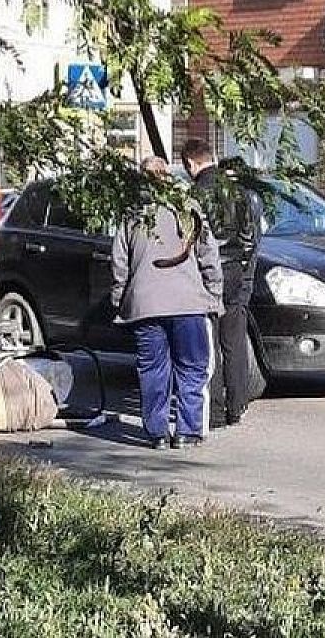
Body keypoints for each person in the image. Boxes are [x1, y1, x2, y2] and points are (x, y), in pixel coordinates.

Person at [111, 156, 224, 449]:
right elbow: (208, 255)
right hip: (187, 303)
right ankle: (187, 431)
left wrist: (120, 300)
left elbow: (119, 263)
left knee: (153, 369)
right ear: (168, 177)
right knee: (192, 367)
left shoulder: (132, 213)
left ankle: (157, 433)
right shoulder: (187, 208)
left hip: (145, 306)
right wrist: (214, 296)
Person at [181, 138, 264, 427]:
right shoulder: (238, 192)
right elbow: (251, 238)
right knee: (234, 341)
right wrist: (244, 274)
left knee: (209, 342)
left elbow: (190, 241)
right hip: (237, 273)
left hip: (208, 273)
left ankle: (214, 411)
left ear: (191, 164)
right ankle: (236, 405)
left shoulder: (194, 194)